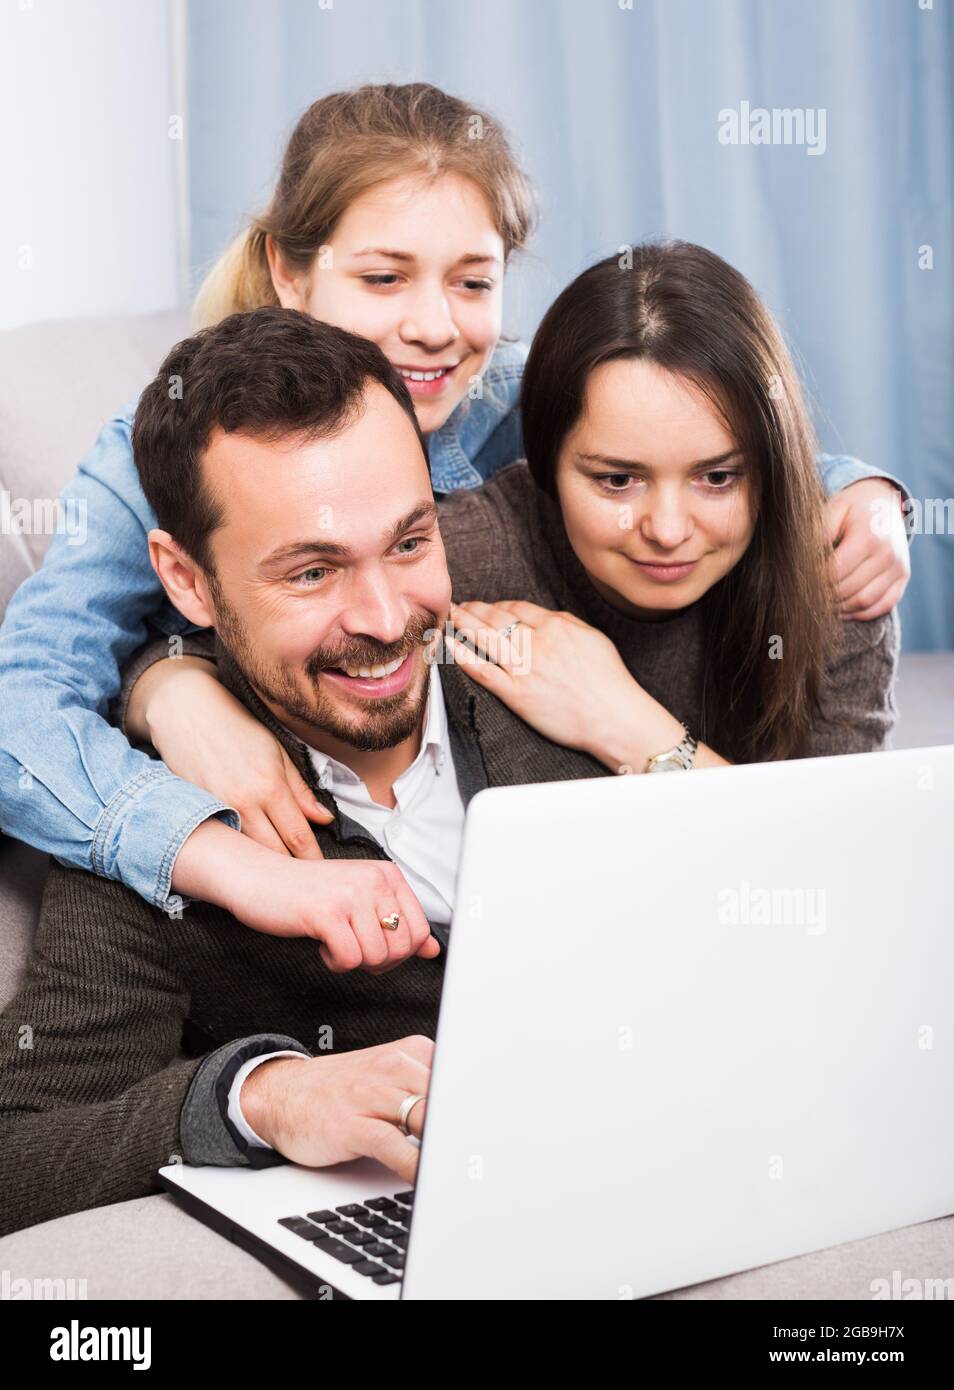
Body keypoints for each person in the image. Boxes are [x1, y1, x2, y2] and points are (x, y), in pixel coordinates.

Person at [0, 87, 908, 921]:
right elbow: (36, 689)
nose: (435, 324)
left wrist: (859, 490)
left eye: (471, 281)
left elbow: (710, 434)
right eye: (384, 279)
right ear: (287, 268)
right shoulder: (160, 452)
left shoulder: (514, 392)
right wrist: (169, 688)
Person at [0, 308, 614, 1239]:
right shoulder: (154, 824)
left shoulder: (562, 684)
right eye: (312, 573)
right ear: (188, 581)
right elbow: (18, 1157)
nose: (381, 618)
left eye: (410, 544)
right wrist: (267, 1096)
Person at [131, 241, 900, 868]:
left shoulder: (838, 576)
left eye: (717, 477)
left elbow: (845, 877)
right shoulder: (466, 553)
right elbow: (243, 625)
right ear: (545, 461)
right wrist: (172, 691)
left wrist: (633, 730)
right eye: (617, 480)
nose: (668, 528)